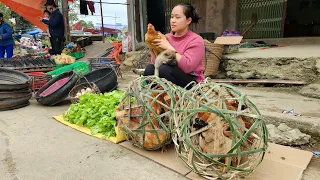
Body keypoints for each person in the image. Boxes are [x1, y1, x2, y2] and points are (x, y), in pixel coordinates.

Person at [144, 3, 205, 88]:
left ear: (188, 20)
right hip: (169, 76)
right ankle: (162, 96)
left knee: (163, 69)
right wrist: (152, 47)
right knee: (150, 69)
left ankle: (175, 97)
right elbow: (156, 63)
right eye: (172, 17)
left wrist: (169, 47)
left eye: (177, 17)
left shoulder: (196, 40)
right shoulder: (166, 37)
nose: (173, 20)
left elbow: (187, 67)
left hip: (191, 82)